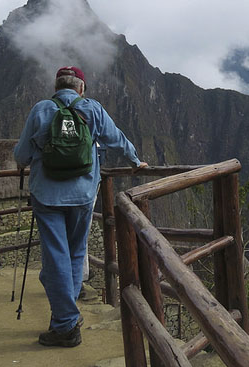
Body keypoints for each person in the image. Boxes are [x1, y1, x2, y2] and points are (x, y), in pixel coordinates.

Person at [14, 66, 148, 347]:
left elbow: (22, 153)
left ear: (56, 86)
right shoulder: (92, 109)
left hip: (47, 196)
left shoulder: (41, 109)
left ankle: (65, 324)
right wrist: (136, 161)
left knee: (55, 257)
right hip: (83, 195)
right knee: (76, 252)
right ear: (81, 88)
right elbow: (116, 138)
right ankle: (68, 315)